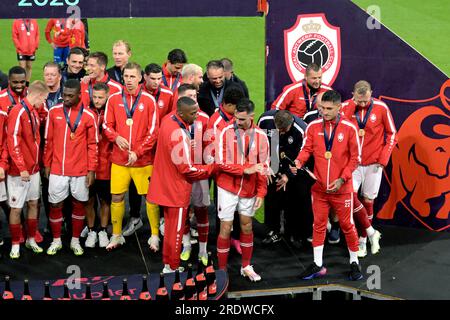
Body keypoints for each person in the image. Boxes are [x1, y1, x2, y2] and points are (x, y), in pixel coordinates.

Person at [292, 90, 363, 281]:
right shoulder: (313, 126)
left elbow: (356, 159)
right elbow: (306, 149)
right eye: (322, 108)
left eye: (329, 109)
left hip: (342, 189)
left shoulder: (349, 128)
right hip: (320, 188)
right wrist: (298, 162)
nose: (324, 112)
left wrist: (342, 179)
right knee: (319, 225)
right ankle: (317, 264)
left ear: (339, 107)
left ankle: (354, 262)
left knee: (348, 225)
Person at [147, 96, 214, 273]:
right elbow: (187, 169)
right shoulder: (178, 135)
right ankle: (172, 268)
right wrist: (211, 168)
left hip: (163, 184)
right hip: (175, 189)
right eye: (192, 113)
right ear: (181, 113)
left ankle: (168, 263)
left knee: (170, 229)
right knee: (175, 232)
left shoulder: (168, 119)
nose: (196, 116)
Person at [103, 62, 159, 251]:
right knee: (117, 196)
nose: (128, 80)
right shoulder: (113, 99)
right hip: (119, 160)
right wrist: (116, 137)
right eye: (126, 76)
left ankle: (154, 236)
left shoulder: (149, 101)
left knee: (150, 199)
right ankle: (117, 235)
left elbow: (153, 132)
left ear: (140, 78)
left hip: (142, 161)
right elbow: (105, 125)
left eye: (132, 77)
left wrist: (138, 151)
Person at [215, 98, 269, 282]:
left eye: (242, 119)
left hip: (248, 189)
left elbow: (263, 167)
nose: (237, 122)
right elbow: (220, 162)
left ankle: (246, 266)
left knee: (247, 225)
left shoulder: (261, 136)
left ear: (252, 117)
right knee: (226, 227)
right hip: (227, 188)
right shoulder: (225, 132)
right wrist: (244, 169)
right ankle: (221, 271)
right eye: (236, 118)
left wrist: (261, 192)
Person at [341, 80, 397, 257]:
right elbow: (340, 127)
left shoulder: (381, 108)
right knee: (349, 199)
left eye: (366, 100)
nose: (363, 104)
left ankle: (363, 241)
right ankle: (365, 234)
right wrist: (352, 107)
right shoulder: (345, 107)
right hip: (353, 164)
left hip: (374, 164)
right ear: (353, 94)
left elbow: (392, 134)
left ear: (371, 93)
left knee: (368, 201)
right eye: (359, 101)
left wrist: (384, 157)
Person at [43, 79, 98, 256]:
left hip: (80, 170)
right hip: (58, 168)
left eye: (69, 96)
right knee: (55, 204)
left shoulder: (89, 116)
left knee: (79, 204)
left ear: (79, 96)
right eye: (64, 95)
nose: (65, 98)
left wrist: (91, 170)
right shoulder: (54, 112)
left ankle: (75, 240)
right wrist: (47, 164)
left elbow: (93, 145)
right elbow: (48, 142)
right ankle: (56, 240)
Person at [7, 81, 49, 259]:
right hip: (20, 171)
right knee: (16, 208)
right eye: (44, 99)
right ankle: (16, 243)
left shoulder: (32, 110)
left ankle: (31, 239)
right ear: (38, 96)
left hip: (33, 169)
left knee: (33, 203)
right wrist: (22, 167)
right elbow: (13, 141)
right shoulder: (18, 111)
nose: (44, 103)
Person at [258, 110, 310, 247]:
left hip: (293, 163)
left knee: (294, 200)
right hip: (273, 161)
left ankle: (293, 233)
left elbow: (301, 157)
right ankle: (273, 231)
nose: (280, 132)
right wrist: (265, 166)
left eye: (283, 130)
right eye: (277, 129)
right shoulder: (265, 120)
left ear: (291, 123)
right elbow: (259, 144)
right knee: (271, 197)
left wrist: (288, 175)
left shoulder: (302, 130)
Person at [206, 84, 245, 254]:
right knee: (222, 207)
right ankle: (223, 239)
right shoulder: (215, 121)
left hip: (239, 169)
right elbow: (213, 149)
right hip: (223, 172)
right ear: (228, 105)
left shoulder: (239, 117)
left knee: (240, 204)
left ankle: (236, 237)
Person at [174, 84, 210, 266]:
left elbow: (211, 143)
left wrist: (206, 155)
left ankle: (203, 250)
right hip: (181, 175)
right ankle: (186, 246)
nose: (194, 99)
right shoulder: (173, 121)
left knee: (202, 212)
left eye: (195, 95)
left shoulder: (204, 118)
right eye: (189, 96)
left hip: (200, 173)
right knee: (184, 211)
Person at [84, 83, 112, 248]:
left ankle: (102, 230)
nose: (97, 100)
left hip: (106, 165)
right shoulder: (86, 112)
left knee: (105, 200)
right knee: (89, 200)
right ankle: (91, 230)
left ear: (107, 96)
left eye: (101, 97)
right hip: (88, 165)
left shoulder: (112, 111)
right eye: (95, 97)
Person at [12, 19, 40, 84]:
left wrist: (36, 45)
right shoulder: (17, 22)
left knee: (29, 66)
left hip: (31, 50)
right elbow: (14, 36)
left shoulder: (34, 21)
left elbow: (37, 34)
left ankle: (27, 84)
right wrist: (19, 46)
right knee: (22, 67)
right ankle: (21, 83)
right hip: (21, 50)